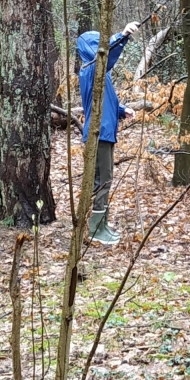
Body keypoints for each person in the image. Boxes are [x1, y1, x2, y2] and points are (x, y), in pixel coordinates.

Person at [77, 20, 139, 245]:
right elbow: (105, 57)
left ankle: (100, 225)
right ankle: (95, 229)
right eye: (96, 45)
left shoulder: (101, 75)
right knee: (104, 179)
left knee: (101, 180)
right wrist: (121, 36)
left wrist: (122, 110)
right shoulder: (90, 69)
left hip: (104, 132)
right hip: (98, 133)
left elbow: (106, 100)